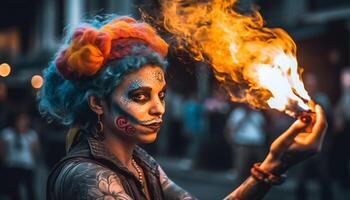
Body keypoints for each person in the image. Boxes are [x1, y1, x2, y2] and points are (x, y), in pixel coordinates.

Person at [38, 16, 327, 200]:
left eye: (161, 95)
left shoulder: (141, 163)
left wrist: (274, 163)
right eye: (140, 96)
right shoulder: (86, 178)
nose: (159, 109)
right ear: (97, 103)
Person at [0, 112, 40, 200]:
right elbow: (2, 149)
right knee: (13, 190)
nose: (23, 122)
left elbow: (36, 151)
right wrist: (5, 161)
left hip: (27, 165)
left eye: (25, 120)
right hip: (12, 164)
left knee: (30, 189)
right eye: (21, 120)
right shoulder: (7, 133)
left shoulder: (31, 134)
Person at [225, 105, 267, 183]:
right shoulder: (237, 113)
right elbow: (232, 128)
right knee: (241, 164)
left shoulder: (257, 114)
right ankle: (239, 184)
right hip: (242, 142)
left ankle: (258, 182)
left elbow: (263, 127)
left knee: (260, 165)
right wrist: (245, 117)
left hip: (257, 142)